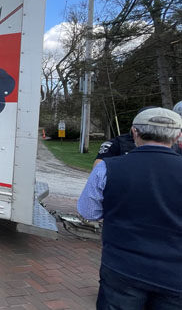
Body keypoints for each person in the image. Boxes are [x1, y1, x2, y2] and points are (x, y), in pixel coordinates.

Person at [78, 107, 182, 309]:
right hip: (175, 275)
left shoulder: (107, 167)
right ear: (178, 135)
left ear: (134, 132)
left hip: (122, 268)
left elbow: (88, 212)